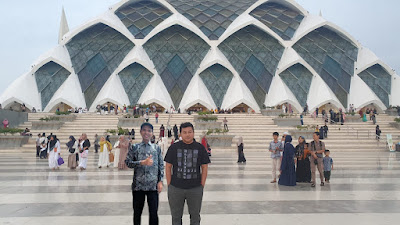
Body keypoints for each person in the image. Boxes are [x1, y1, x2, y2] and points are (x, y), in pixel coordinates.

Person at [165, 122, 211, 225]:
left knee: (195, 217)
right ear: (180, 134)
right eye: (184, 132)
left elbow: (204, 167)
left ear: (193, 133)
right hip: (176, 188)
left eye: (190, 132)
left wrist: (201, 185)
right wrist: (169, 184)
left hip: (195, 188)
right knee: (176, 218)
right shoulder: (174, 147)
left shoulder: (200, 148)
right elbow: (168, 166)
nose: (187, 134)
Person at [125, 123, 164, 225]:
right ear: (141, 132)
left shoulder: (156, 148)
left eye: (149, 131)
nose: (147, 133)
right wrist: (141, 163)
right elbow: (128, 162)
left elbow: (161, 165)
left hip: (153, 186)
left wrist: (160, 181)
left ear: (152, 133)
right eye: (144, 130)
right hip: (138, 186)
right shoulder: (134, 147)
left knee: (154, 213)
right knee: (137, 213)